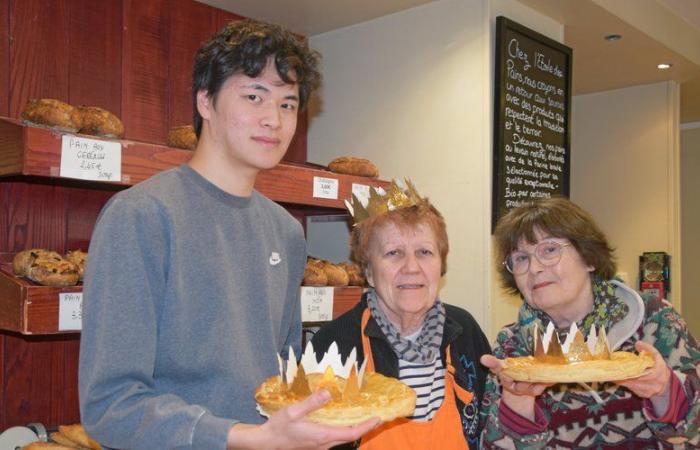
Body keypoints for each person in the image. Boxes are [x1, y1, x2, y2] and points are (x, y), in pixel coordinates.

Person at [79, 19, 379, 450]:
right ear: (205, 100)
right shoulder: (141, 217)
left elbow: (276, 380)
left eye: (288, 105)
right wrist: (243, 438)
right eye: (254, 96)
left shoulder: (285, 232)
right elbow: (111, 407)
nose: (273, 120)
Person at [480, 197, 700, 448]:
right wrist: (518, 403)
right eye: (520, 258)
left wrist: (665, 392)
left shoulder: (653, 320)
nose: (534, 268)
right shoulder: (513, 350)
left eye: (550, 250)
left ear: (589, 258)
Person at [311, 181, 491, 449]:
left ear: (441, 266)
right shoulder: (334, 346)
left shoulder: (464, 330)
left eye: (424, 252)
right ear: (369, 272)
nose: (411, 267)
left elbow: (491, 429)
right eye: (394, 253)